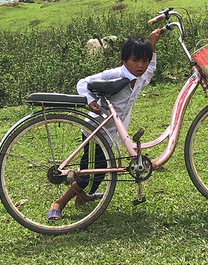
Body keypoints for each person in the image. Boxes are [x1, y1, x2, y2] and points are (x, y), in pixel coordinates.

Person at [47, 28, 165, 222]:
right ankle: (59, 203)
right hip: (96, 131)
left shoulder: (141, 77)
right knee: (88, 172)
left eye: (144, 60)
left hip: (114, 135)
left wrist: (153, 44)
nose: (141, 65)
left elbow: (151, 68)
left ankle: (82, 198)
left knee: (101, 171)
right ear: (124, 60)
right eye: (135, 60)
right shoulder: (115, 74)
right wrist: (89, 100)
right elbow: (83, 82)